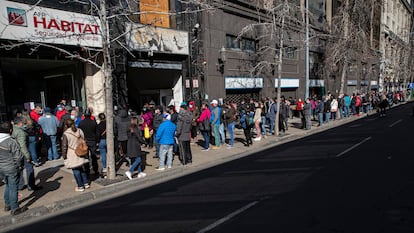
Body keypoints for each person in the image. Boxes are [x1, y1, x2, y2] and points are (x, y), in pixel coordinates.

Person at [0, 121, 27, 215]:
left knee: (7, 185)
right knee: (13, 187)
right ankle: (14, 208)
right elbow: (18, 156)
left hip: (1, 168)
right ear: (10, 130)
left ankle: (7, 204)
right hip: (11, 167)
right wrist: (19, 166)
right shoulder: (11, 141)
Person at [12, 116, 41, 191]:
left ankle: (20, 185)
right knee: (29, 168)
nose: (25, 125)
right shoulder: (21, 132)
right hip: (22, 153)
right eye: (24, 123)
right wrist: (28, 156)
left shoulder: (13, 129)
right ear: (20, 123)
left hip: (15, 153)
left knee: (19, 169)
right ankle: (31, 185)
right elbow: (23, 146)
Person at [61, 119, 90, 192]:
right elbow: (84, 139)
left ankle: (80, 186)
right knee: (81, 168)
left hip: (72, 153)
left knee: (76, 170)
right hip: (81, 151)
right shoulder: (80, 131)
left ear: (66, 125)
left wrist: (64, 156)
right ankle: (86, 183)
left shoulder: (66, 134)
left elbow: (64, 146)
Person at [78, 108, 99, 177]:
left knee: (86, 157)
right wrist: (97, 141)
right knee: (93, 156)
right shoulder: (93, 122)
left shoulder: (81, 123)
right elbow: (97, 133)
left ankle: (87, 171)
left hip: (85, 141)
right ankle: (95, 170)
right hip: (92, 140)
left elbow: (79, 133)